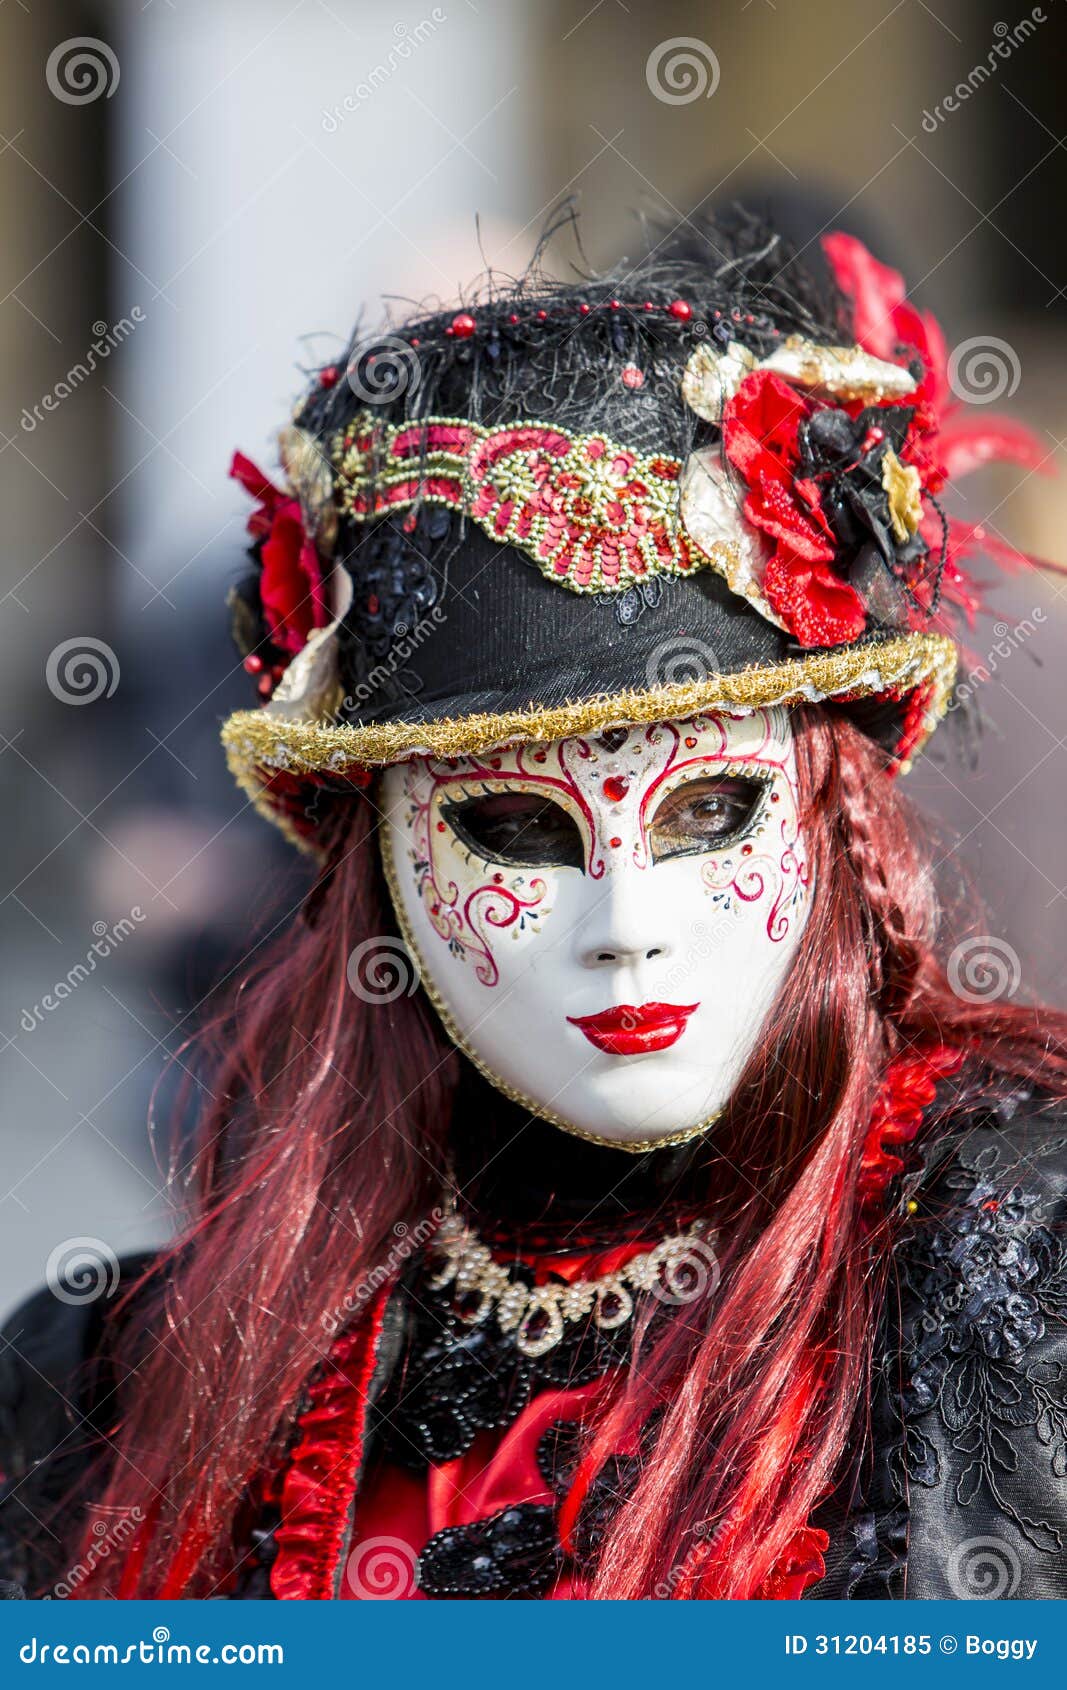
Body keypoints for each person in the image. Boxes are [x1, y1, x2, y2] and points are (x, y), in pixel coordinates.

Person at [3, 212, 1066, 1602]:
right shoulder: (126, 1386)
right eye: (512, 826)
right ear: (378, 861)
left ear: (829, 811)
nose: (625, 916)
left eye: (707, 811)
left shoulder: (1013, 1273)